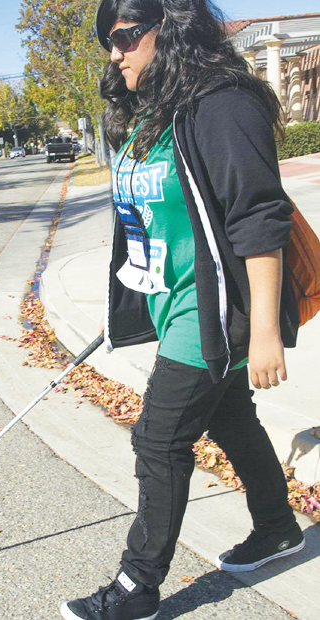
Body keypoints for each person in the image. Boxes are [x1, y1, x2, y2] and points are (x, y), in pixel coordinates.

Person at [60, 1, 305, 619]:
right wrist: (126, 301)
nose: (115, 52)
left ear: (169, 30)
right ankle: (278, 528)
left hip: (215, 309)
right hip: (174, 302)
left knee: (159, 439)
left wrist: (268, 328)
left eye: (125, 36)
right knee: (231, 421)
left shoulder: (222, 101)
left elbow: (258, 216)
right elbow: (146, 225)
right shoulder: (148, 113)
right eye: (107, 40)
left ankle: (137, 587)